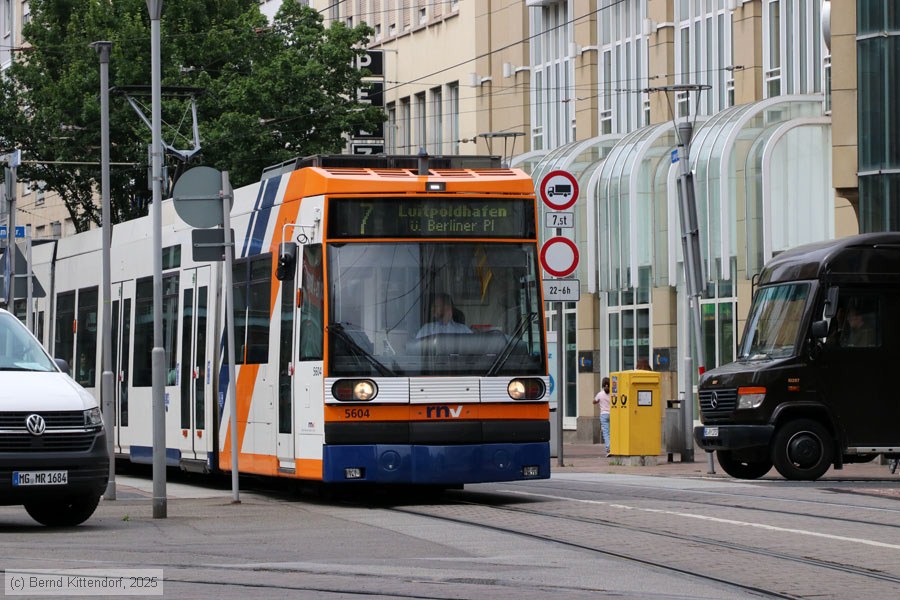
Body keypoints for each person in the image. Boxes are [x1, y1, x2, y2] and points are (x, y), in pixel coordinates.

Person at [593, 376, 611, 457]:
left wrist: (598, 401)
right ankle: (615, 447)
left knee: (606, 433)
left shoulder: (600, 394)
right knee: (612, 432)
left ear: (603, 385)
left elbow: (594, 401)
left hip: (604, 415)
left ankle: (609, 449)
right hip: (612, 414)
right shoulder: (613, 394)